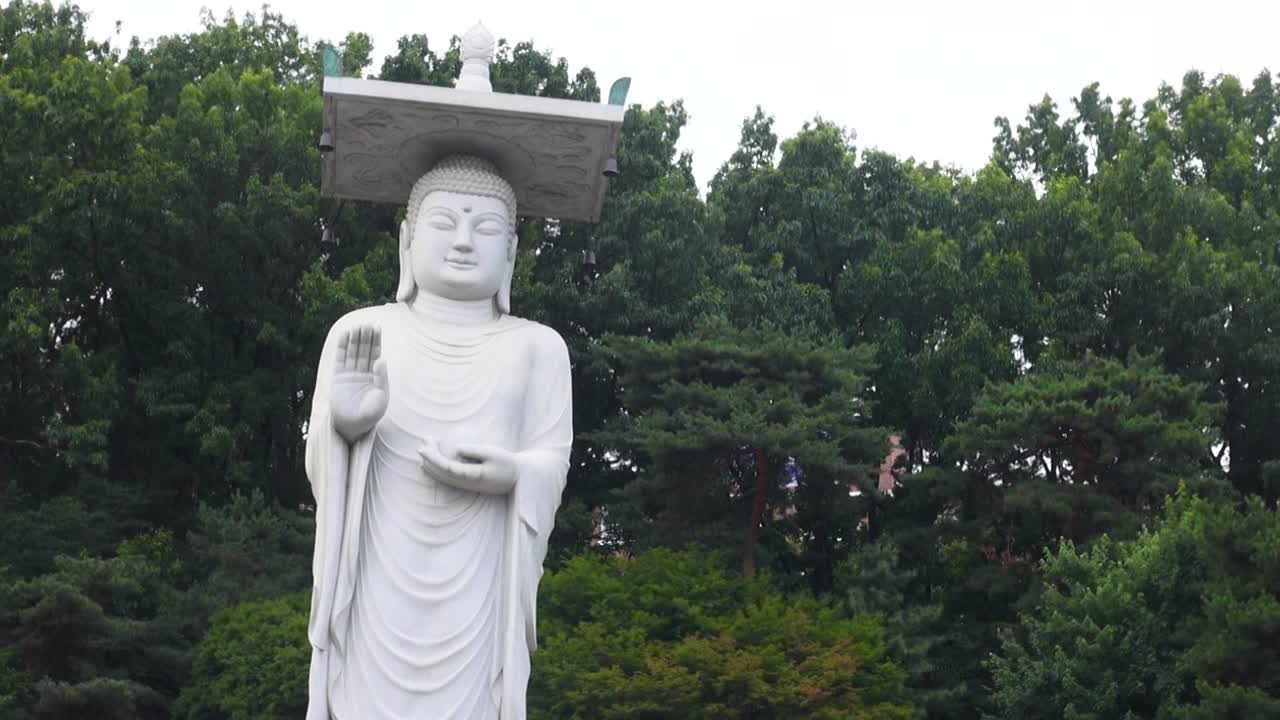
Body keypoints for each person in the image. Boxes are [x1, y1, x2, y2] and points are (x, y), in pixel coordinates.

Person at [304, 154, 572, 720]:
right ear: (406, 241)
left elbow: (553, 459)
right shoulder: (360, 333)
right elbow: (319, 466)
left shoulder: (539, 347)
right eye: (444, 223)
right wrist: (345, 428)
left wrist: (517, 474)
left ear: (513, 253)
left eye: (488, 228)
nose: (465, 242)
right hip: (377, 580)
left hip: (478, 587)